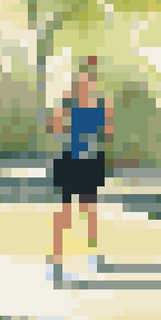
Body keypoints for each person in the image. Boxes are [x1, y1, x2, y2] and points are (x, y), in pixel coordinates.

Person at [49, 56, 113, 265]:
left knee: (90, 210)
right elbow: (56, 129)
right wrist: (60, 114)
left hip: (90, 162)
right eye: (82, 83)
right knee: (66, 212)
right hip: (70, 160)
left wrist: (109, 115)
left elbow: (108, 132)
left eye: (89, 83)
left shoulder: (100, 107)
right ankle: (57, 254)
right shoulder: (69, 106)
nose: (86, 87)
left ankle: (92, 252)